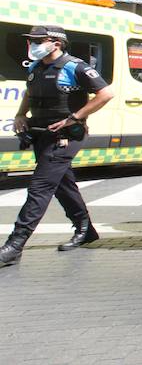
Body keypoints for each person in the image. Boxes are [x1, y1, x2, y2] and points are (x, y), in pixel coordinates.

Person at [0, 25, 117, 268]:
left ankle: (14, 246)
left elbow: (105, 93)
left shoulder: (75, 66)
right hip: (40, 133)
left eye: (38, 40)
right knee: (63, 184)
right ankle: (86, 229)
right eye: (31, 41)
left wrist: (75, 117)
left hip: (65, 136)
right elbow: (29, 93)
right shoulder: (36, 66)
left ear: (57, 43)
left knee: (39, 187)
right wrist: (21, 113)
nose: (32, 45)